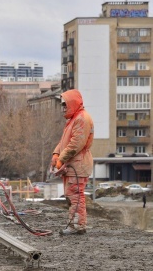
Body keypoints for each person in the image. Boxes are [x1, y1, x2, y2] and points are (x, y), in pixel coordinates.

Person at [51, 89, 94, 235]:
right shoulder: (74, 119)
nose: (63, 108)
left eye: (65, 104)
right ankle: (75, 224)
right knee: (72, 195)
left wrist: (61, 158)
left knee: (75, 196)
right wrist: (56, 153)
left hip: (78, 164)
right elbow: (64, 141)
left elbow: (76, 144)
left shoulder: (81, 119)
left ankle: (78, 226)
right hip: (73, 164)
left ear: (72, 103)